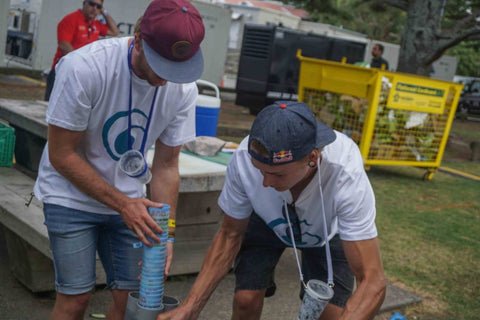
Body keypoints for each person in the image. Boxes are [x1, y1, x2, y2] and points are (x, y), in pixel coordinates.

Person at [33, 0, 205, 319]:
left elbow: (166, 166)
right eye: (161, 67)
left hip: (133, 202)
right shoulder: (84, 67)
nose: (168, 79)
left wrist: (166, 232)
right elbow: (61, 154)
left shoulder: (183, 89)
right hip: (70, 195)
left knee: (133, 300)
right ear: (138, 39)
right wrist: (123, 204)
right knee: (76, 299)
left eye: (177, 69)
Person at [159, 101, 386, 320]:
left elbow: (372, 281)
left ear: (312, 159)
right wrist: (190, 307)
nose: (266, 183)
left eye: (278, 174)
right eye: (260, 171)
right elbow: (229, 236)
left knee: (330, 314)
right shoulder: (243, 161)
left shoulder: (345, 172)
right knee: (245, 300)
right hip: (268, 218)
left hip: (327, 227)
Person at [44, 0, 119, 101]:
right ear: (84, 4)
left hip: (84, 74)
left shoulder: (96, 24)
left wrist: (104, 12)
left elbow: (115, 31)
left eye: (98, 6)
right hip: (64, 72)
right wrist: (82, 63)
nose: (94, 8)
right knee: (51, 108)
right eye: (92, 4)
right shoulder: (71, 19)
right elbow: (64, 45)